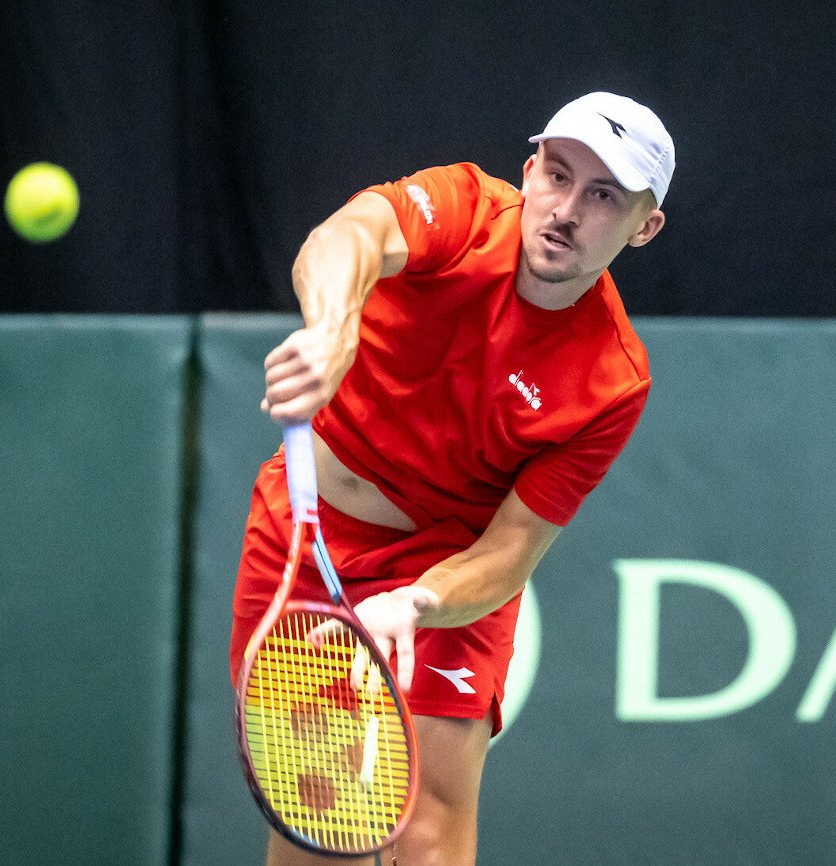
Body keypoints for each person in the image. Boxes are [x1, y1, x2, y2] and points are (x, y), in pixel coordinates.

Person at [230, 91, 674, 865]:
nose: (567, 209)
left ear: (645, 225)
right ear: (529, 170)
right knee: (322, 829)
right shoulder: (464, 208)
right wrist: (332, 332)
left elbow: (512, 550)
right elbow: (347, 237)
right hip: (307, 537)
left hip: (446, 567)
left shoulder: (612, 378)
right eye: (559, 175)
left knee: (430, 832)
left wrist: (420, 601)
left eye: (603, 196)